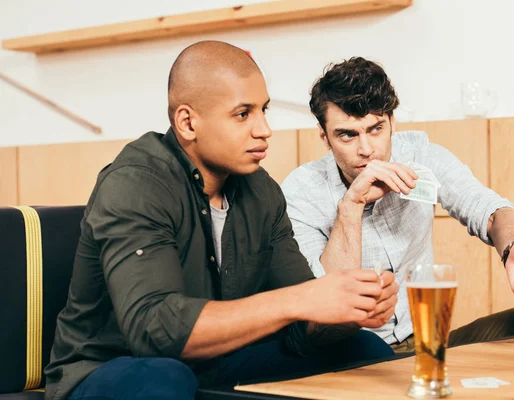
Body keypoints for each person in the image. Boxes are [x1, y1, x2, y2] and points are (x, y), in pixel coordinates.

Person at [44, 42, 398, 400]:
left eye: (264, 110)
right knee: (164, 381)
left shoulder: (262, 192)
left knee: (364, 351)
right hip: (109, 368)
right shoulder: (135, 183)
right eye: (243, 114)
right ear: (187, 122)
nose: (264, 130)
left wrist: (352, 308)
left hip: (216, 362)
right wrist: (300, 299)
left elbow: (300, 329)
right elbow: (154, 330)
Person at [281, 57, 514, 353]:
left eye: (376, 128)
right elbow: (327, 310)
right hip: (353, 350)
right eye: (348, 135)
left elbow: (487, 209)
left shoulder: (419, 155)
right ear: (324, 137)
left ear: (392, 122)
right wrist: (351, 205)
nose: (366, 150)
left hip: (427, 337)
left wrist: (513, 246)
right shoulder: (301, 192)